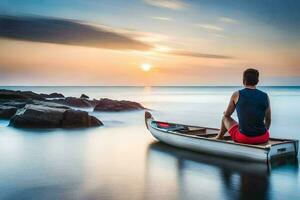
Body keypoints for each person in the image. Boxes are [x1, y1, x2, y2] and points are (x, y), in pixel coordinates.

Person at [214, 68, 271, 144]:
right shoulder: (265, 96)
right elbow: (268, 119)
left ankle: (219, 137)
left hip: (245, 138)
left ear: (244, 81)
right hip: (263, 137)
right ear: (257, 81)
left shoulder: (237, 94)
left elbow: (228, 115)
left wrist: (225, 113)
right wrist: (262, 133)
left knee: (225, 118)